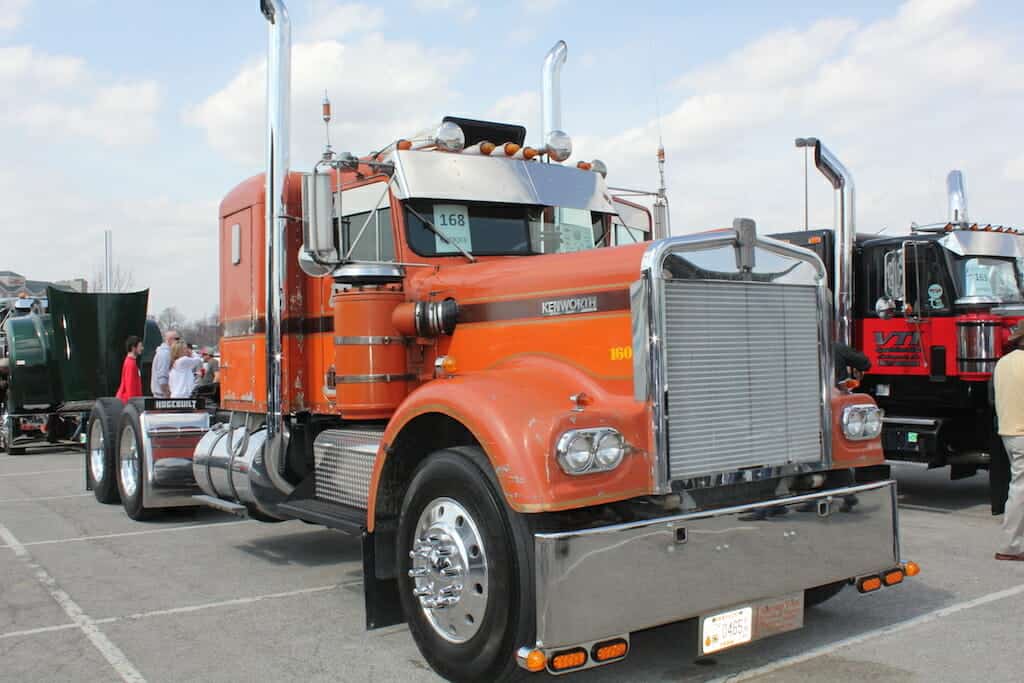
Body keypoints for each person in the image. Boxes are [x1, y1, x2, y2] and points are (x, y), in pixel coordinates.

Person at [993, 321, 1024, 561]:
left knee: (1019, 487)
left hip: (1008, 432)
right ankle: (1011, 546)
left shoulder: (1003, 363)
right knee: (1020, 489)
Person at [115, 335, 144, 403]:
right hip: (128, 402)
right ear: (133, 348)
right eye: (140, 346)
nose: (142, 348)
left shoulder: (131, 362)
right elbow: (130, 387)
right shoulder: (130, 364)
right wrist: (133, 403)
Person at [151, 330, 177, 398]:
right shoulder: (164, 354)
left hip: (161, 395)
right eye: (177, 339)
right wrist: (167, 395)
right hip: (162, 397)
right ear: (170, 340)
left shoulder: (166, 353)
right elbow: (162, 378)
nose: (178, 342)